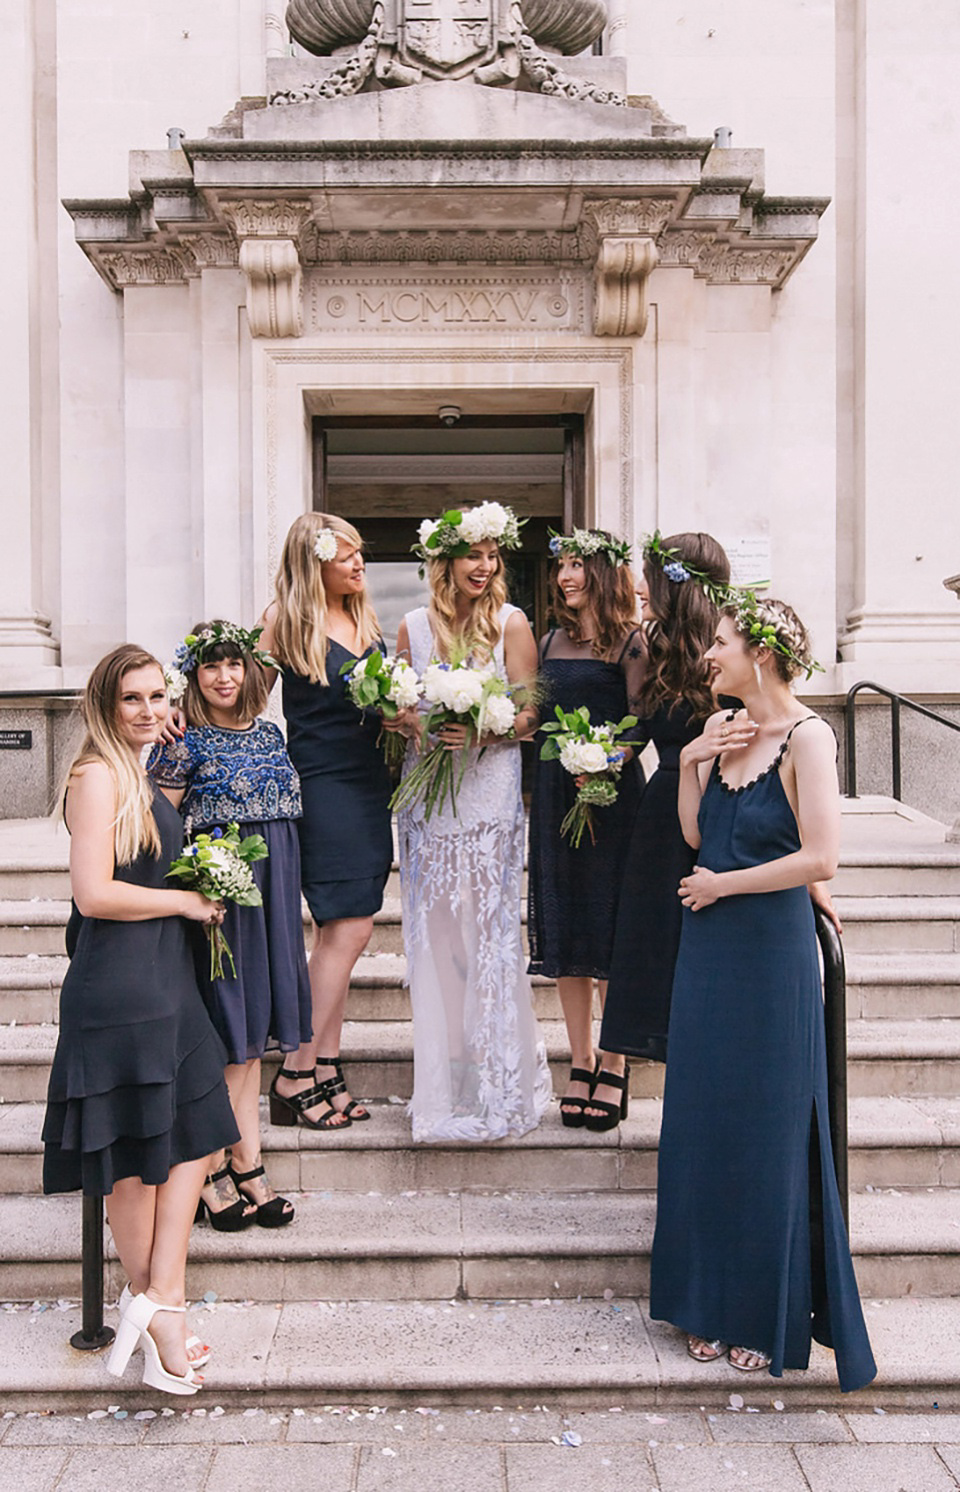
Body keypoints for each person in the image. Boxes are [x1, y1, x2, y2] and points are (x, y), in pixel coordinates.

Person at [649, 596, 876, 1389]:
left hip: (769, 954)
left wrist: (726, 886)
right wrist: (689, 760)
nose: (708, 655)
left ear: (764, 653)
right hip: (709, 949)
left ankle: (761, 1313)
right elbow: (692, 836)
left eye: (719, 643)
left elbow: (821, 858)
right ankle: (703, 1304)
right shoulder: (721, 733)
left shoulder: (812, 738)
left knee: (767, 1128)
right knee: (706, 1122)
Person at [42, 645, 239, 1395]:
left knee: (195, 1127)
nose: (150, 709)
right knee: (132, 1153)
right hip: (119, 990)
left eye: (159, 695)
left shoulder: (142, 775)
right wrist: (187, 900)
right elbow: (93, 893)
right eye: (132, 698)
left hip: (167, 982)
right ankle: (159, 1314)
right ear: (103, 704)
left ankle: (161, 1292)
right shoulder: (96, 775)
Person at [390, 502, 552, 1142]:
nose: (483, 567)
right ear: (446, 562)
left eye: (492, 556)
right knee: (436, 937)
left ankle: (496, 1074)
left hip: (488, 796)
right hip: (428, 798)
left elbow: (530, 718)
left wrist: (485, 732)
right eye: (471, 556)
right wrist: (412, 723)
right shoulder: (410, 627)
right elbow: (396, 709)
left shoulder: (512, 624)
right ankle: (446, 1070)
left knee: (489, 934)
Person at [148, 621, 312, 1228]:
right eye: (211, 666)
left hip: (273, 895)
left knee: (253, 1037)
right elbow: (158, 828)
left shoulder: (271, 733)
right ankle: (218, 1165)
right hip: (220, 899)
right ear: (194, 675)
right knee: (229, 1035)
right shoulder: (182, 739)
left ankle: (241, 1157)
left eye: (234, 664)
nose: (224, 677)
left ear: (249, 671)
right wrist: (191, 886)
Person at [259, 514, 393, 1130]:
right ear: (315, 562)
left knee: (340, 933)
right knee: (350, 931)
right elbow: (234, 691)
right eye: (347, 556)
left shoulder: (363, 620)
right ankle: (294, 1071)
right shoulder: (283, 622)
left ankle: (326, 1064)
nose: (360, 564)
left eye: (360, 553)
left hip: (369, 787)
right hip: (323, 786)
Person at [593, 533, 731, 1127]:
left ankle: (706, 1079)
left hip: (723, 812)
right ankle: (623, 1061)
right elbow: (638, 735)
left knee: (704, 951)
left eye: (649, 575)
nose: (639, 587)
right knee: (648, 946)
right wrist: (595, 759)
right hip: (658, 818)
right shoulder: (653, 648)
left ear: (679, 584)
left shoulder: (730, 647)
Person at [526, 528, 644, 1128]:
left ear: (602, 573)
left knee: (610, 930)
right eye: (562, 568)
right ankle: (579, 1058)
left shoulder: (632, 643)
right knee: (568, 930)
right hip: (554, 794)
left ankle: (616, 1061)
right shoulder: (549, 639)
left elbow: (641, 724)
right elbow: (534, 714)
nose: (566, 577)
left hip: (613, 800)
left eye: (577, 566)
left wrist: (606, 762)